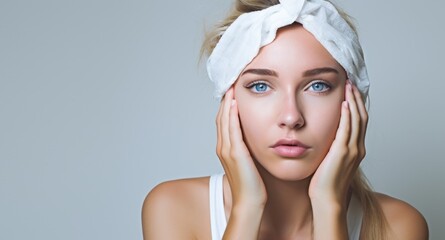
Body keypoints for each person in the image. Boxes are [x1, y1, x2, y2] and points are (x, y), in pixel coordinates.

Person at [142, 0, 428, 239]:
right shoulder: (174, 208)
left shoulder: (399, 226)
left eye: (318, 86)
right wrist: (247, 208)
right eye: (260, 86)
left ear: (352, 101)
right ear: (229, 100)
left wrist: (329, 209)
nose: (291, 117)